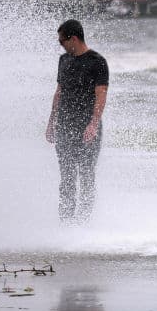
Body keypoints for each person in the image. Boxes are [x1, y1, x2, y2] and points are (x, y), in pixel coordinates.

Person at [46, 19, 109, 224]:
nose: (60, 45)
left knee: (87, 176)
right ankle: (65, 224)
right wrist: (51, 122)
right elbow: (59, 92)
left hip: (87, 128)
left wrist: (93, 124)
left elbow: (101, 95)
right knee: (67, 177)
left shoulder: (97, 61)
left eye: (62, 41)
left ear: (73, 38)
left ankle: (84, 223)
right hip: (64, 126)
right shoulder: (64, 60)